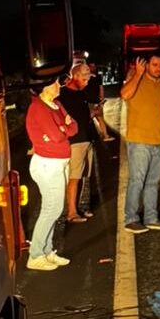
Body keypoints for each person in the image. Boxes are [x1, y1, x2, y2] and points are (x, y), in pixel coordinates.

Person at [25, 75, 76, 270]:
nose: (59, 85)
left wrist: (64, 127)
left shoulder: (56, 104)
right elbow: (56, 136)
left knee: (54, 208)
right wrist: (64, 126)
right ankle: (36, 255)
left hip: (58, 163)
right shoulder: (38, 107)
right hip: (48, 164)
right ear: (43, 87)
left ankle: (46, 251)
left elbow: (74, 127)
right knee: (51, 209)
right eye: (54, 82)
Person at [121, 54, 160, 233]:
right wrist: (138, 74)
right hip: (139, 141)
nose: (158, 68)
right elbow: (125, 94)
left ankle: (151, 218)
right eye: (154, 64)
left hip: (158, 141)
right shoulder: (136, 79)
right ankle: (131, 218)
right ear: (147, 65)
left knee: (153, 182)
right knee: (137, 180)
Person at [57, 62, 97, 223]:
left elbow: (82, 117)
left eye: (88, 79)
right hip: (75, 141)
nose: (87, 82)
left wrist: (92, 113)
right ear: (75, 76)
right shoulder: (62, 95)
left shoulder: (81, 94)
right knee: (74, 176)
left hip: (86, 138)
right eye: (85, 78)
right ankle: (71, 212)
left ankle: (77, 208)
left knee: (82, 176)